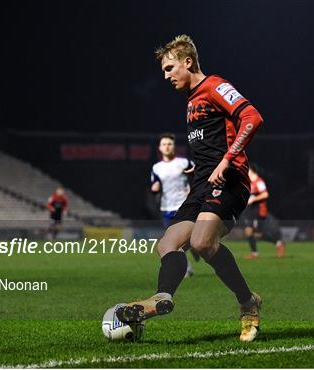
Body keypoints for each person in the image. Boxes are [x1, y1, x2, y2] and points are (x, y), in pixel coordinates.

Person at [117, 35, 264, 342]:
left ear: (187, 62)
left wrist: (226, 160)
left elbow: (252, 117)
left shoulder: (215, 86)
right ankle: (162, 298)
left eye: (170, 68)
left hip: (229, 181)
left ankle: (248, 304)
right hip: (201, 185)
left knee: (201, 243)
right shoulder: (191, 100)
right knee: (167, 244)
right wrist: (199, 165)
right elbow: (210, 139)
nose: (166, 76)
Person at [150, 132, 198, 277]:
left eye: (169, 144)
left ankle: (187, 266)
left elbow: (199, 173)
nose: (167, 146)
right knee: (173, 241)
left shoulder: (183, 162)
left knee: (180, 242)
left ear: (174, 146)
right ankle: (192, 255)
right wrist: (155, 187)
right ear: (159, 147)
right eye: (164, 144)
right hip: (166, 208)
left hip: (184, 206)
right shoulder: (156, 167)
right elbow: (155, 183)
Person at [242, 164, 286, 259]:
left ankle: (278, 242)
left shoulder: (259, 181)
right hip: (250, 211)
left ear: (251, 170)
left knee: (258, 234)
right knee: (249, 231)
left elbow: (265, 194)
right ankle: (254, 253)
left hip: (258, 211)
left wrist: (253, 199)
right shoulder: (248, 182)